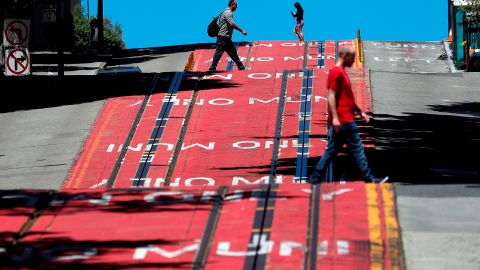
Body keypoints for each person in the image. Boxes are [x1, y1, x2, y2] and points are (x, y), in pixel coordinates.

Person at [309, 47, 389, 184]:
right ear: (344, 55)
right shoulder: (336, 72)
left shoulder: (342, 73)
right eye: (352, 57)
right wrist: (334, 117)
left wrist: (360, 112)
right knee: (358, 150)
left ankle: (315, 177)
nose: (353, 61)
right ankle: (368, 178)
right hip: (344, 119)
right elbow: (331, 95)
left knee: (332, 151)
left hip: (344, 119)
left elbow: (348, 98)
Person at [209, 0, 247, 71]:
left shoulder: (224, 11)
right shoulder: (228, 13)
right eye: (236, 5)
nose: (237, 7)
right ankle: (212, 67)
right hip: (223, 37)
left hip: (226, 37)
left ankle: (241, 66)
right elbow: (232, 24)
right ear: (232, 4)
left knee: (232, 52)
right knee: (219, 52)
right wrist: (242, 30)